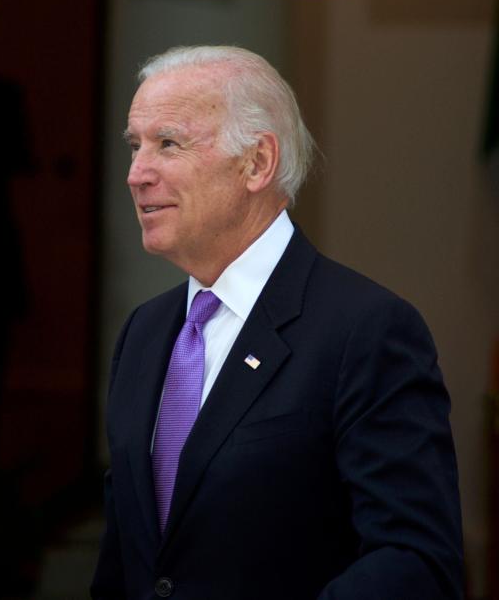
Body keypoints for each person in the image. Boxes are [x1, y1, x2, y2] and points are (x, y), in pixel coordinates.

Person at [91, 46, 463, 600]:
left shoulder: (365, 330)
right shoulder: (143, 333)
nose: (136, 175)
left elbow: (415, 562)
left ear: (257, 163)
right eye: (135, 146)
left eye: (168, 143)